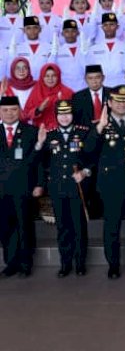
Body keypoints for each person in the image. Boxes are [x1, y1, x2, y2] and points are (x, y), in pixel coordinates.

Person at [89, 85, 125, 279]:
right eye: (118, 101)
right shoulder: (100, 124)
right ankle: (113, 264)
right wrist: (98, 129)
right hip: (111, 184)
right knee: (112, 226)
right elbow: (88, 151)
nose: (122, 105)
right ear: (110, 103)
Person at [42, 100, 95, 277]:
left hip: (77, 189)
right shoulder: (49, 135)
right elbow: (41, 162)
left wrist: (85, 172)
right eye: (61, 114)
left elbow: (93, 159)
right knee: (63, 228)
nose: (64, 117)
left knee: (79, 227)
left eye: (68, 113)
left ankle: (80, 263)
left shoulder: (83, 133)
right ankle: (65, 264)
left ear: (73, 115)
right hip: (58, 189)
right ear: (56, 116)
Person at [0, 96, 43, 277]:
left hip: (24, 187)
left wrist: (40, 184)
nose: (10, 113)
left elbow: (39, 162)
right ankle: (11, 263)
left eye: (13, 110)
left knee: (24, 225)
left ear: (20, 111)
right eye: (5, 110)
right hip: (1, 190)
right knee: (5, 227)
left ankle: (26, 263)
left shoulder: (31, 131)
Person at [22, 63, 74, 129]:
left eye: (54, 76)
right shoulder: (36, 91)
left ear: (58, 76)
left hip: (62, 131)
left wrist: (62, 104)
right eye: (47, 76)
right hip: (40, 131)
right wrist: (39, 109)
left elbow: (76, 113)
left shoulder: (67, 92)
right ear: (42, 77)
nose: (50, 79)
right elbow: (26, 114)